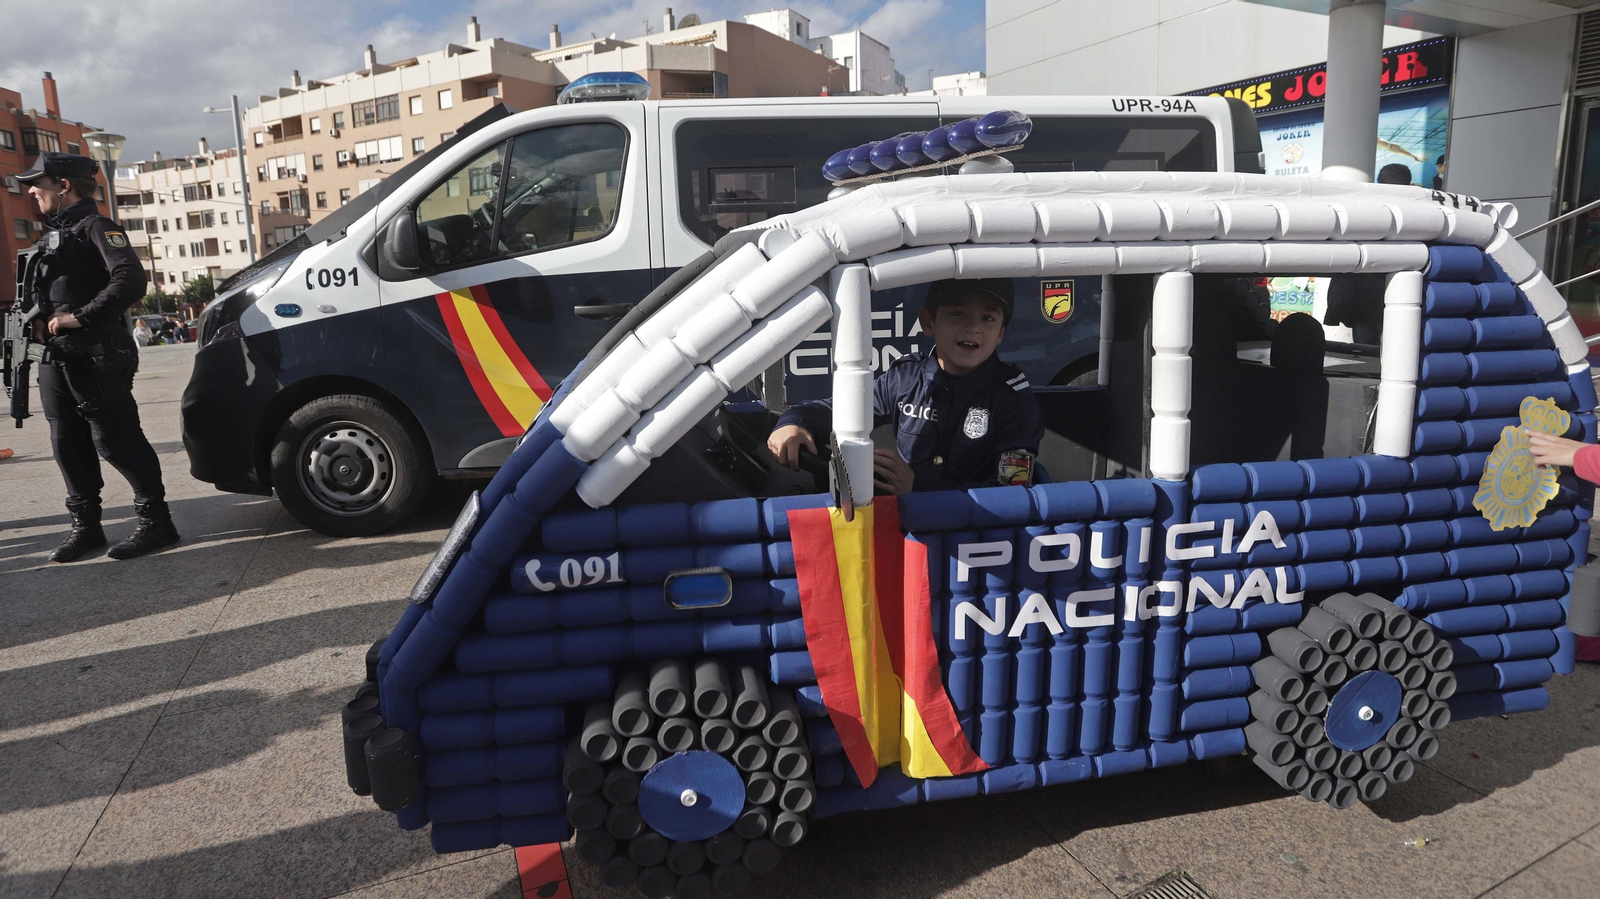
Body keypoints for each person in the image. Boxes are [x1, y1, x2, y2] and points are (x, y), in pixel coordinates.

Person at [18, 152, 179, 562]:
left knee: (115, 439)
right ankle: (86, 529)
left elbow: (131, 278)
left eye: (39, 182)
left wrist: (80, 317)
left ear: (64, 185)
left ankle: (156, 522)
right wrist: (39, 322)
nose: (32, 190)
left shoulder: (97, 227)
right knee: (66, 441)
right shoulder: (55, 235)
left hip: (97, 353)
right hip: (58, 357)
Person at [767, 278, 1044, 494]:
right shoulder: (905, 379)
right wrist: (794, 423)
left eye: (988, 318)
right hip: (904, 531)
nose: (973, 328)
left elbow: (1012, 493)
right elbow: (837, 410)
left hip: (977, 544)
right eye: (957, 314)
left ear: (1000, 334)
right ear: (928, 322)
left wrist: (919, 488)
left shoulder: (1014, 399)